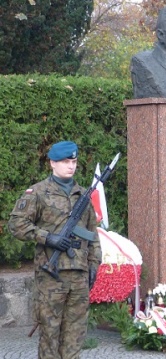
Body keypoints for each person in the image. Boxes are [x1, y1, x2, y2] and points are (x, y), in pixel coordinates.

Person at [8, 141, 101, 358]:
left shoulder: (83, 195)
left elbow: (93, 235)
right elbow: (16, 224)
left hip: (79, 275)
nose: (71, 166)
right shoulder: (38, 193)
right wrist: (49, 238)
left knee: (75, 336)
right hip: (51, 275)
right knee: (50, 336)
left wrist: (94, 264)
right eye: (66, 161)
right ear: (52, 163)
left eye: (74, 161)